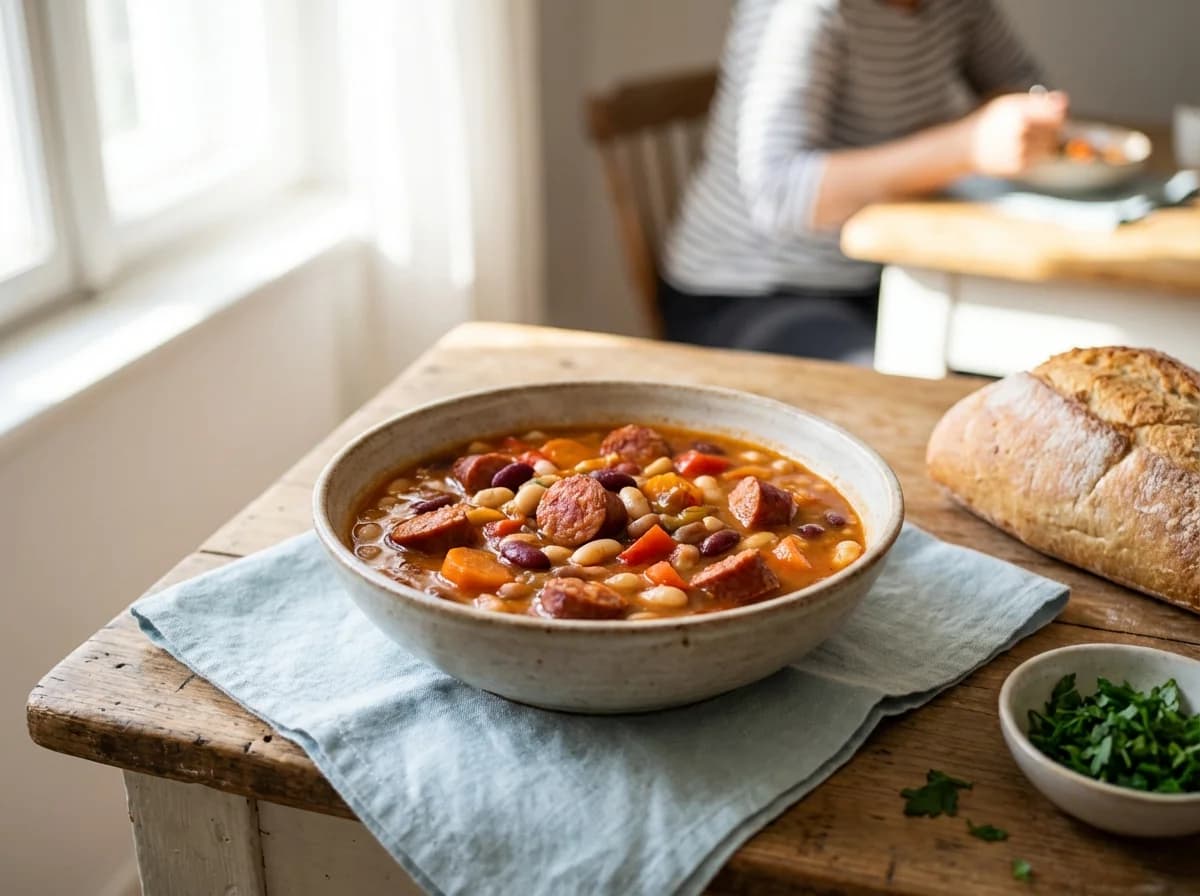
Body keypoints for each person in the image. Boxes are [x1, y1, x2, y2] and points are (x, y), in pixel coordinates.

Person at [661, 0, 1066, 363]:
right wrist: (961, 148)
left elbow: (1025, 85)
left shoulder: (957, 7)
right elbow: (781, 195)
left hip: (884, 274)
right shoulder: (804, 9)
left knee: (1021, 362)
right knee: (920, 387)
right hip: (749, 290)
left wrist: (1022, 117)